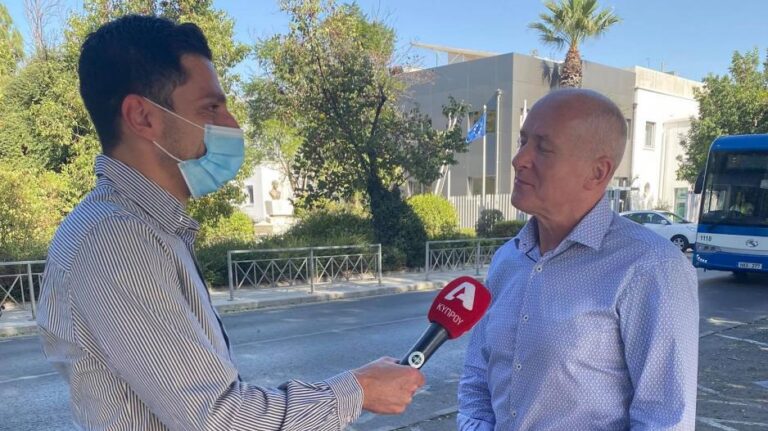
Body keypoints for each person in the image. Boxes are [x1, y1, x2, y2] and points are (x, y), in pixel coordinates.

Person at [37, 15, 423, 431]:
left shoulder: (147, 229)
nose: (232, 125)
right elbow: (218, 417)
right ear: (142, 116)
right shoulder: (115, 239)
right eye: (211, 107)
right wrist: (358, 390)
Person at [458, 89, 699, 430]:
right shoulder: (507, 260)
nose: (519, 159)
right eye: (523, 141)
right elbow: (478, 374)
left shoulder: (651, 268)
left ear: (598, 172)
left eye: (543, 148)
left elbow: (665, 419)